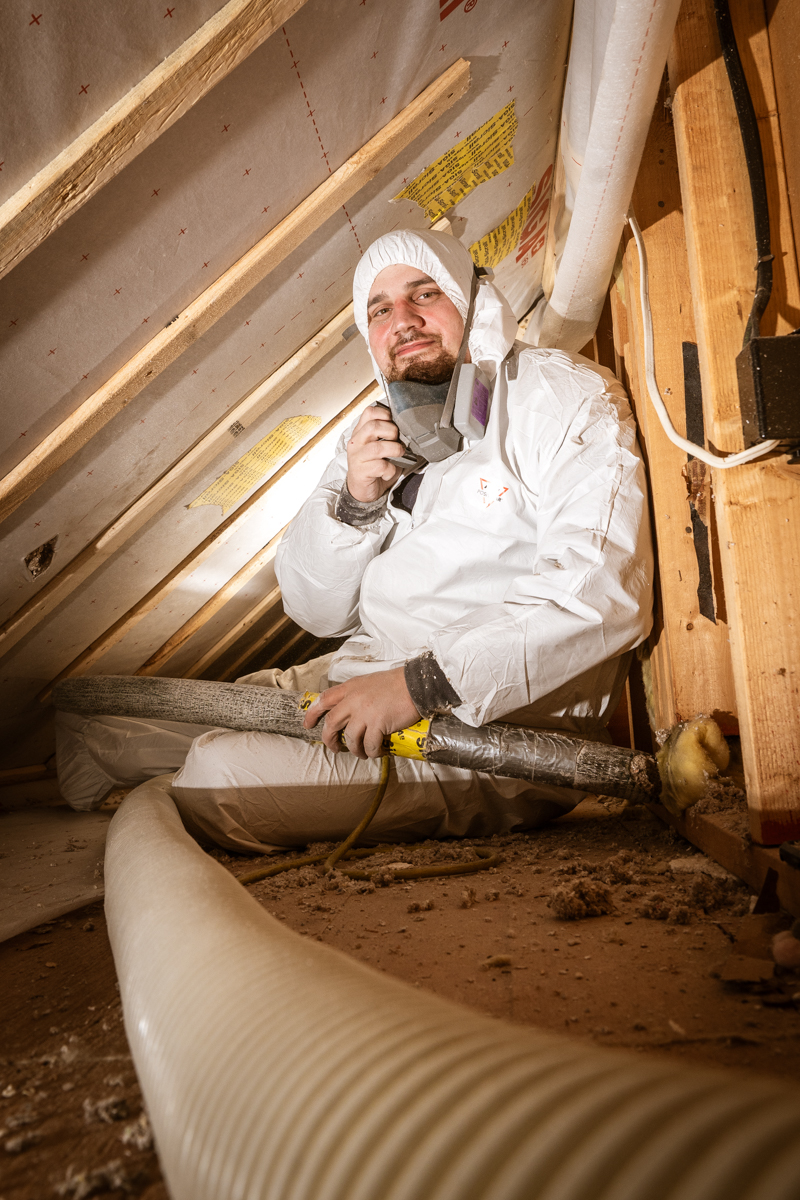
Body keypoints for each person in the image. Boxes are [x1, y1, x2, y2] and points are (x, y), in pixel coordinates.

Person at [56, 230, 653, 852]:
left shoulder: (558, 397)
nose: (405, 320)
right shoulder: (374, 429)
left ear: (473, 302)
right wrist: (356, 503)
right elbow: (314, 611)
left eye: (426, 294)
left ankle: (189, 788)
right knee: (100, 726)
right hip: (360, 675)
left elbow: (599, 593)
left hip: (490, 729)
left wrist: (417, 686)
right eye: (380, 308)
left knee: (218, 775)